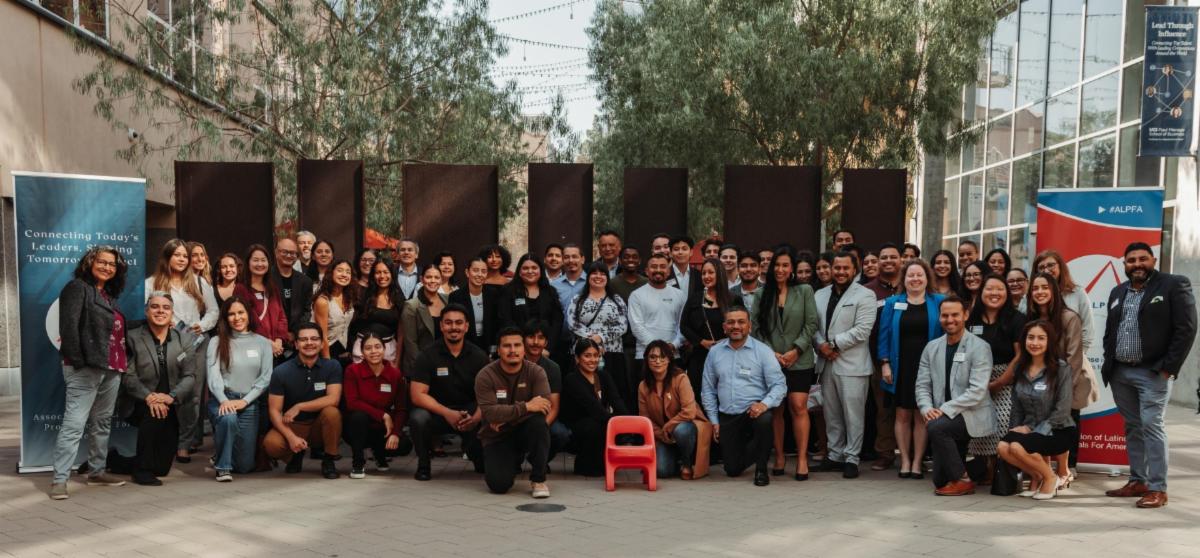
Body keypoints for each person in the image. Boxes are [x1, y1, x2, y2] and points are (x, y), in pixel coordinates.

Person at [1101, 242, 1196, 508]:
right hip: (1120, 372)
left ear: (1153, 260)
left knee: (1152, 425)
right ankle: (1138, 481)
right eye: (1131, 260)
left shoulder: (1173, 285)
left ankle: (1157, 488)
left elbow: (1186, 328)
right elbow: (1110, 330)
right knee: (1133, 426)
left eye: (1143, 259)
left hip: (1153, 372)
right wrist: (1110, 359)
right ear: (1124, 265)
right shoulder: (1118, 291)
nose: (1137, 264)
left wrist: (1168, 367)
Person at [50, 246, 131, 499]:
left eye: (112, 264)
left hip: (112, 368)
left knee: (102, 422)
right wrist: (78, 362)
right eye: (102, 262)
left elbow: (112, 330)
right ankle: (59, 480)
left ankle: (97, 472)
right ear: (90, 262)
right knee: (74, 425)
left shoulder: (107, 295)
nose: (107, 267)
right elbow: (68, 327)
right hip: (86, 367)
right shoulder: (77, 288)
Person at [144, 238, 218, 461]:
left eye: (185, 256)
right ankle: (165, 440)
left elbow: (214, 311)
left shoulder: (198, 281)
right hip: (165, 343)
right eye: (177, 255)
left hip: (196, 343)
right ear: (167, 257)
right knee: (167, 391)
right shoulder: (152, 283)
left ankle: (184, 443)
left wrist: (201, 325)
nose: (182, 259)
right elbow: (146, 310)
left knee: (192, 395)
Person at [916, 295, 997, 496]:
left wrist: (943, 410)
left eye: (955, 315)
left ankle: (963, 480)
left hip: (971, 414)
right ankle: (976, 469)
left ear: (965, 315)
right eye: (945, 315)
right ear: (939, 317)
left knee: (937, 427)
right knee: (940, 480)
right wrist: (927, 408)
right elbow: (922, 385)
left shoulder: (980, 347)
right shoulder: (931, 347)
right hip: (943, 416)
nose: (950, 320)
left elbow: (977, 392)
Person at [751, 248, 818, 480]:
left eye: (785, 265)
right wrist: (771, 353)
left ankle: (801, 459)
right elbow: (755, 328)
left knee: (798, 406)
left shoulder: (804, 290)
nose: (780, 269)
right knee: (776, 408)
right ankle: (779, 456)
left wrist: (796, 350)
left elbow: (811, 324)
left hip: (799, 359)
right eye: (777, 265)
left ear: (792, 269)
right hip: (771, 360)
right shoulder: (761, 294)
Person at [119, 292, 197, 486]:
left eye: (166, 308)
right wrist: (150, 397)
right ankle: (141, 471)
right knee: (154, 412)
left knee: (161, 468)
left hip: (172, 404)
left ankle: (114, 460)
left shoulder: (184, 340)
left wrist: (171, 397)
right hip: (139, 402)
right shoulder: (132, 338)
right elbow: (128, 376)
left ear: (171, 313)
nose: (160, 311)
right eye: (155, 307)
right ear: (146, 311)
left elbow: (190, 376)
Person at [701, 308, 787, 486]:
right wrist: (714, 421)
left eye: (741, 322)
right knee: (732, 469)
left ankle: (761, 469)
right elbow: (708, 390)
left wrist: (764, 405)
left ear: (749, 326)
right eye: (731, 322)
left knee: (765, 420)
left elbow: (779, 385)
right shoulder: (715, 352)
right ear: (724, 327)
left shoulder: (763, 351)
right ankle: (760, 445)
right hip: (728, 415)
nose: (736, 326)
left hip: (753, 412)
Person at [813, 250, 877, 479]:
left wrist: (832, 344)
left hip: (853, 365)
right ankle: (835, 455)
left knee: (853, 415)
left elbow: (862, 330)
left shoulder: (865, 295)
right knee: (831, 414)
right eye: (837, 268)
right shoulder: (820, 294)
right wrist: (821, 345)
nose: (840, 272)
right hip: (826, 362)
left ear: (854, 269)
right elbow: (813, 326)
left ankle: (851, 458)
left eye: (845, 268)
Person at [878, 260, 945, 479]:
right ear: (904, 279)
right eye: (910, 275)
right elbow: (884, 335)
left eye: (919, 275)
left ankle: (917, 462)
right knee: (902, 414)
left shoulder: (939, 301)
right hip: (901, 366)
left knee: (922, 414)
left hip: (928, 367)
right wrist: (884, 363)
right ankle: (905, 461)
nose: (915, 279)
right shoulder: (892, 303)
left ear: (927, 278)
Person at [408, 304, 490, 480]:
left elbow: (488, 394)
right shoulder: (427, 355)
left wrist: (476, 418)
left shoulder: (479, 356)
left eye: (459, 323)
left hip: (469, 414)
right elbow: (417, 395)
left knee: (488, 414)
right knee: (418, 418)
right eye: (448, 322)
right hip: (437, 412)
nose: (454, 327)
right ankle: (423, 465)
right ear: (441, 326)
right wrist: (447, 413)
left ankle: (478, 457)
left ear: (466, 326)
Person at [997, 320, 1075, 501]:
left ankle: (1051, 478)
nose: (1035, 343)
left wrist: (1035, 431)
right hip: (1031, 428)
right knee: (1003, 447)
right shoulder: (1019, 368)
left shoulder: (1061, 368)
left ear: (1049, 342)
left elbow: (1063, 409)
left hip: (1058, 429)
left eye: (1041, 338)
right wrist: (1014, 430)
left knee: (1017, 446)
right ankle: (1037, 476)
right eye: (1030, 337)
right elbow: (1016, 407)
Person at [475, 327, 553, 496]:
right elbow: (490, 413)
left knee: (539, 424)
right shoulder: (485, 375)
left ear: (524, 348)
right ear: (498, 350)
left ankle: (538, 480)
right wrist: (527, 406)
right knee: (498, 485)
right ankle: (513, 459)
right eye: (507, 346)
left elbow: (544, 406)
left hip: (522, 431)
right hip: (497, 436)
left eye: (517, 345)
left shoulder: (536, 371)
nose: (512, 350)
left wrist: (505, 418)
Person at [263, 322, 344, 479]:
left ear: (322, 343)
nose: (309, 343)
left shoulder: (332, 366)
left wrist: (300, 406)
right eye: (303, 339)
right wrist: (291, 437)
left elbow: (333, 399)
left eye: (314, 339)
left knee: (332, 413)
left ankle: (329, 459)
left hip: (319, 425)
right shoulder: (281, 371)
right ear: (296, 344)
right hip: (293, 425)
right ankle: (295, 455)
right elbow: (274, 410)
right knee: (271, 444)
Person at [206, 296, 273, 481]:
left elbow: (265, 378)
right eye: (231, 314)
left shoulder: (262, 343)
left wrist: (245, 401)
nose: (237, 318)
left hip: (249, 403)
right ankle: (222, 467)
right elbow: (213, 376)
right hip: (222, 399)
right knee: (228, 418)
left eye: (241, 312)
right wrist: (224, 400)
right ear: (225, 318)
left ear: (248, 314)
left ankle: (222, 451)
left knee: (244, 466)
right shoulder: (216, 341)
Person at [965, 274, 1025, 476]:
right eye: (989, 289)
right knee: (976, 422)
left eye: (1000, 289)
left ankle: (1000, 469)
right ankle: (983, 467)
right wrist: (978, 384)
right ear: (981, 292)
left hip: (1006, 380)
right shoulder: (970, 319)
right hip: (975, 381)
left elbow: (1020, 356)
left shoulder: (1016, 319)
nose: (994, 293)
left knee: (1002, 420)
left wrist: (999, 382)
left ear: (1006, 293)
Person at [639, 341, 712, 479]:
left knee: (681, 430)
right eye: (653, 357)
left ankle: (687, 462)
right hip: (664, 436)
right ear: (647, 360)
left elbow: (689, 411)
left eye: (662, 357)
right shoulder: (643, 386)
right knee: (662, 471)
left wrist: (669, 426)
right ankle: (675, 458)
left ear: (669, 359)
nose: (658, 361)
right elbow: (645, 419)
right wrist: (662, 434)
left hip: (687, 428)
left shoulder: (680, 378)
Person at [567, 262, 632, 406]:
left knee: (613, 391)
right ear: (588, 277)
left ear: (607, 278)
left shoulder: (616, 299)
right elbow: (572, 323)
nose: (598, 276)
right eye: (594, 273)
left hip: (612, 351)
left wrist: (600, 337)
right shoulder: (578, 299)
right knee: (585, 392)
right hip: (583, 351)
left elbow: (623, 325)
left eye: (602, 274)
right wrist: (592, 341)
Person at [561, 339, 628, 476]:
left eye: (596, 355)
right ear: (577, 358)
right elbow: (591, 405)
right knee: (596, 426)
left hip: (599, 419)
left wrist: (626, 421)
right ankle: (584, 465)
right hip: (576, 424)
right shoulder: (572, 379)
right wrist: (613, 422)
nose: (592, 360)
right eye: (587, 356)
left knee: (613, 425)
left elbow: (616, 400)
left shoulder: (603, 376)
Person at [342, 333, 405, 479]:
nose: (373, 351)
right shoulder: (352, 370)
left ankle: (379, 453)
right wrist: (383, 415)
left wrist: (395, 433)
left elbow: (401, 408)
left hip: (382, 429)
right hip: (357, 427)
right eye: (368, 348)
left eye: (377, 347)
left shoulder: (395, 374)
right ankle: (358, 463)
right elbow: (352, 402)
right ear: (362, 352)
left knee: (404, 445)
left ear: (384, 349)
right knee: (358, 416)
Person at [863, 243, 902, 472]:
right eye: (884, 257)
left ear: (901, 260)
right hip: (879, 359)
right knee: (883, 409)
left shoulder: (911, 284)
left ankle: (912, 454)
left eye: (893, 257)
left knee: (909, 408)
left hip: (909, 359)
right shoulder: (868, 291)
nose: (888, 261)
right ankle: (885, 453)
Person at [682, 259, 732, 405]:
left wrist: (726, 341)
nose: (706, 276)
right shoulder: (695, 298)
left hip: (726, 354)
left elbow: (741, 326)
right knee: (698, 395)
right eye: (703, 273)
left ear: (720, 274)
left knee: (724, 395)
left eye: (711, 272)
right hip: (699, 355)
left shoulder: (732, 299)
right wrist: (701, 342)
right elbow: (684, 326)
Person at [522, 320, 570, 465]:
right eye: (531, 337)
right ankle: (513, 460)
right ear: (523, 339)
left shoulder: (553, 368)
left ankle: (538, 461)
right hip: (517, 415)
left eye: (541, 338)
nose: (536, 342)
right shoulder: (513, 362)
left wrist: (541, 428)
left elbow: (554, 407)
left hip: (542, 417)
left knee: (561, 434)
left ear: (546, 342)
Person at [1033, 250, 1096, 355]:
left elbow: (1088, 329)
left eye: (1051, 265)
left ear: (1060, 267)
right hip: (1038, 356)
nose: (1046, 270)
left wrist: (1076, 356)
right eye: (1041, 267)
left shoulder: (1077, 293)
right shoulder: (1031, 296)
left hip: (1070, 357)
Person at [234, 245, 290, 363]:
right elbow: (247, 320)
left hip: (276, 349)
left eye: (263, 260)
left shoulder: (272, 288)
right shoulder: (241, 289)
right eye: (255, 260)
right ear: (248, 263)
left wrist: (279, 340)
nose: (260, 264)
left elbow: (281, 316)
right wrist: (267, 343)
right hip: (253, 348)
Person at [628, 254, 686, 362]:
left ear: (668, 271)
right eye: (654, 266)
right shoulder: (636, 295)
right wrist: (658, 348)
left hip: (673, 354)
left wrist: (674, 344)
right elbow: (637, 327)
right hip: (645, 355)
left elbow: (683, 325)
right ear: (647, 271)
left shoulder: (680, 295)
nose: (658, 270)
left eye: (663, 266)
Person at [450, 257, 510, 354]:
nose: (479, 274)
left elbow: (497, 322)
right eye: (475, 270)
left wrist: (494, 346)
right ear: (467, 272)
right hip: (464, 345)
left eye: (483, 271)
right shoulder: (456, 296)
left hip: (488, 345)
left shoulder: (493, 294)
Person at [505, 254, 564, 352]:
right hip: (517, 348)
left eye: (534, 268)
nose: (530, 271)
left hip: (545, 349)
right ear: (519, 271)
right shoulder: (508, 291)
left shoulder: (550, 292)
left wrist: (547, 348)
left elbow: (557, 322)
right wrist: (519, 345)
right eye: (525, 268)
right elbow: (506, 320)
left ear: (540, 270)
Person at [350, 259, 403, 367]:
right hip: (362, 349)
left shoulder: (399, 298)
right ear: (373, 275)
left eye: (386, 272)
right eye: (378, 272)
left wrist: (397, 360)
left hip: (389, 350)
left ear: (392, 274)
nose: (382, 276)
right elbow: (352, 325)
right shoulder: (363, 295)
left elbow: (401, 333)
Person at [402, 266, 448, 371]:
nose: (433, 281)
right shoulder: (411, 306)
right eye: (429, 277)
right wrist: (422, 368)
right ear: (422, 279)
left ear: (441, 280)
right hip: (422, 364)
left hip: (445, 361)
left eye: (436, 277)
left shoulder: (448, 300)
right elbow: (410, 343)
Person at [312, 260, 357, 363]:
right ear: (331, 273)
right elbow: (322, 336)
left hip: (343, 349)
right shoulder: (323, 301)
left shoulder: (348, 297)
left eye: (348, 272)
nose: (344, 274)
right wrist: (327, 362)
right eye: (340, 270)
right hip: (327, 350)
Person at [550, 244, 587, 362]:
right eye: (566, 257)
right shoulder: (554, 285)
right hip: (559, 341)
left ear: (582, 259)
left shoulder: (591, 282)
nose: (571, 260)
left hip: (585, 341)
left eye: (575, 257)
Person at [272, 237, 315, 337]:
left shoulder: (305, 281)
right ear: (276, 253)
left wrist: (296, 332)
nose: (288, 255)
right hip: (272, 336)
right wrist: (282, 333)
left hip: (296, 336)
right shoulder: (267, 278)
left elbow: (307, 311)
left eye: (292, 253)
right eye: (284, 252)